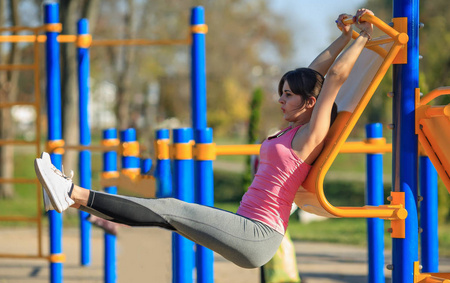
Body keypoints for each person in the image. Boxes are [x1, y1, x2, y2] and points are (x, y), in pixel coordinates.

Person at [34, 9, 374, 269]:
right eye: (281, 93)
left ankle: (71, 192)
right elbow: (316, 73)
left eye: (288, 95)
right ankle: (73, 200)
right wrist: (344, 35)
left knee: (169, 207)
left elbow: (334, 80)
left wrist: (363, 36)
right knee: (163, 215)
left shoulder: (310, 134)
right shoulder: (292, 128)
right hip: (248, 226)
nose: (281, 99)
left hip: (259, 234)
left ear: (309, 103)